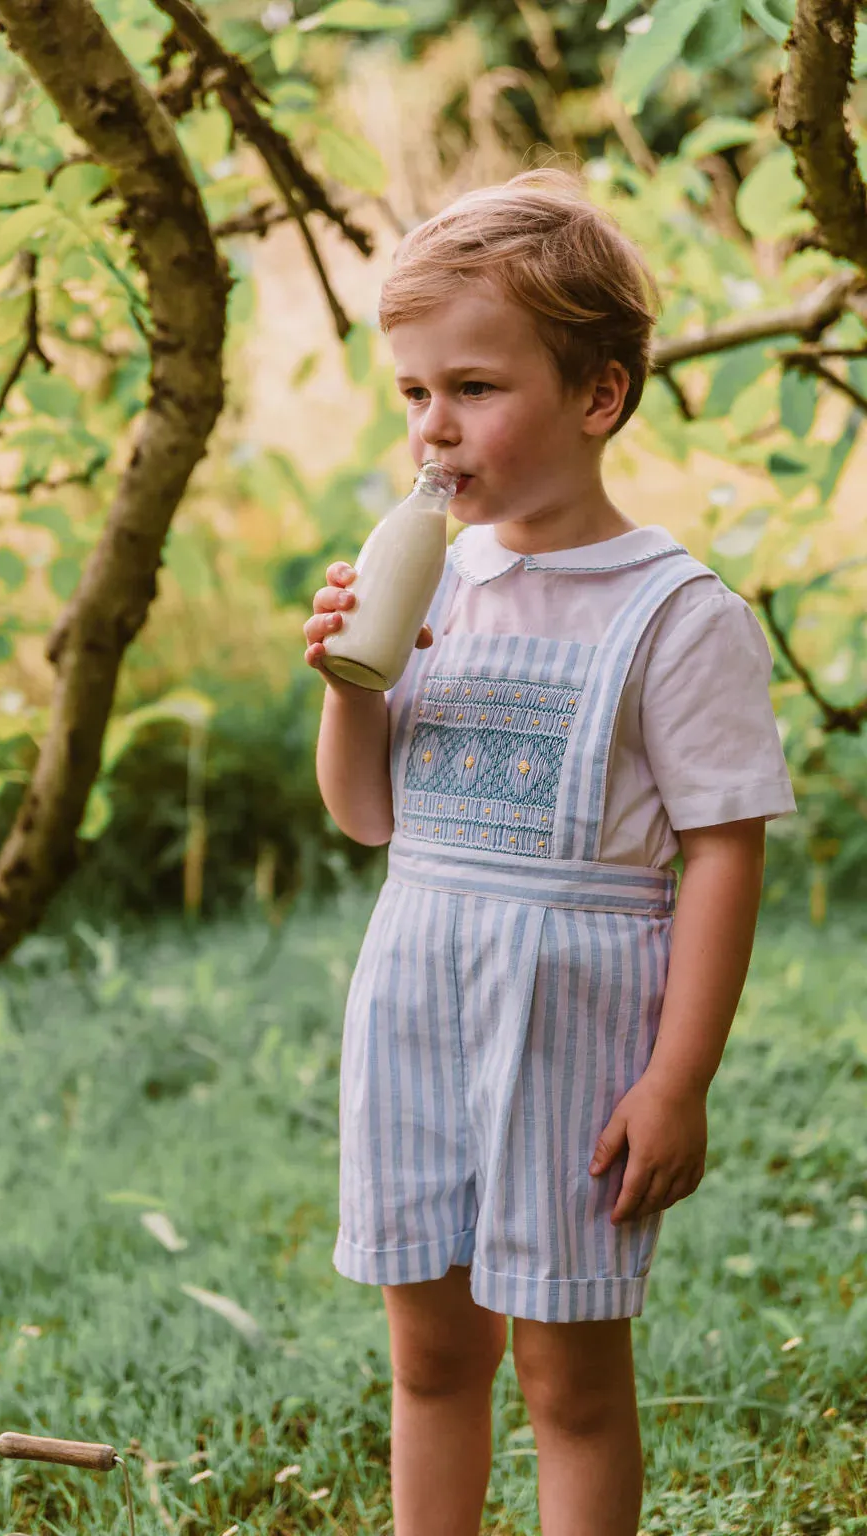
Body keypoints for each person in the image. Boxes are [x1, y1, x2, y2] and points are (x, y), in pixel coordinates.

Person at [302, 168, 797, 1536]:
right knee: (433, 1355)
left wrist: (678, 1079)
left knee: (569, 1379)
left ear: (598, 396)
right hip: (417, 1000)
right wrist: (351, 685)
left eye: (471, 387)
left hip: (574, 1027)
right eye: (413, 394)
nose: (432, 429)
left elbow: (720, 856)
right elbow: (367, 817)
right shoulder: (432, 581)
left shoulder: (677, 616)